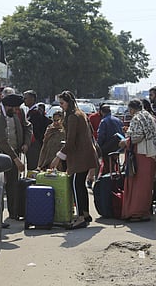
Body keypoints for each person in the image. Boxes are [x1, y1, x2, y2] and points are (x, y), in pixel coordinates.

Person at [50, 90, 99, 229]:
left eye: (62, 103)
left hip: (80, 156)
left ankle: (81, 217)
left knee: (76, 185)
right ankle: (85, 213)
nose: (61, 106)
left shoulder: (72, 116)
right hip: (85, 153)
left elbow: (70, 141)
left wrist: (58, 158)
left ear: (68, 102)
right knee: (80, 185)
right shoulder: (80, 113)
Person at [0, 92, 32, 225]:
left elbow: (27, 126)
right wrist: (16, 160)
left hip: (14, 152)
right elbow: (2, 141)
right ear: (9, 106)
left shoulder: (17, 112)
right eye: (15, 109)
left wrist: (26, 143)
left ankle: (13, 214)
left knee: (13, 185)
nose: (17, 112)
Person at [119, 99, 156, 222]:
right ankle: (144, 211)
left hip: (142, 155)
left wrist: (125, 141)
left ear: (132, 109)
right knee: (146, 185)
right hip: (151, 154)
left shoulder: (137, 118)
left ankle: (137, 212)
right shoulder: (149, 116)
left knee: (138, 185)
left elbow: (137, 136)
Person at [23, 90, 52, 170]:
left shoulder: (35, 113)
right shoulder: (31, 112)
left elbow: (36, 129)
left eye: (25, 98)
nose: (23, 100)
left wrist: (37, 141)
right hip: (32, 142)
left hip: (35, 143)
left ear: (32, 99)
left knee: (33, 164)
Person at [97, 104, 125, 174]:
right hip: (118, 148)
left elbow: (101, 137)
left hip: (107, 149)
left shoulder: (103, 121)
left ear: (101, 112)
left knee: (107, 167)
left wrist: (98, 148)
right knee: (114, 165)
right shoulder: (118, 120)